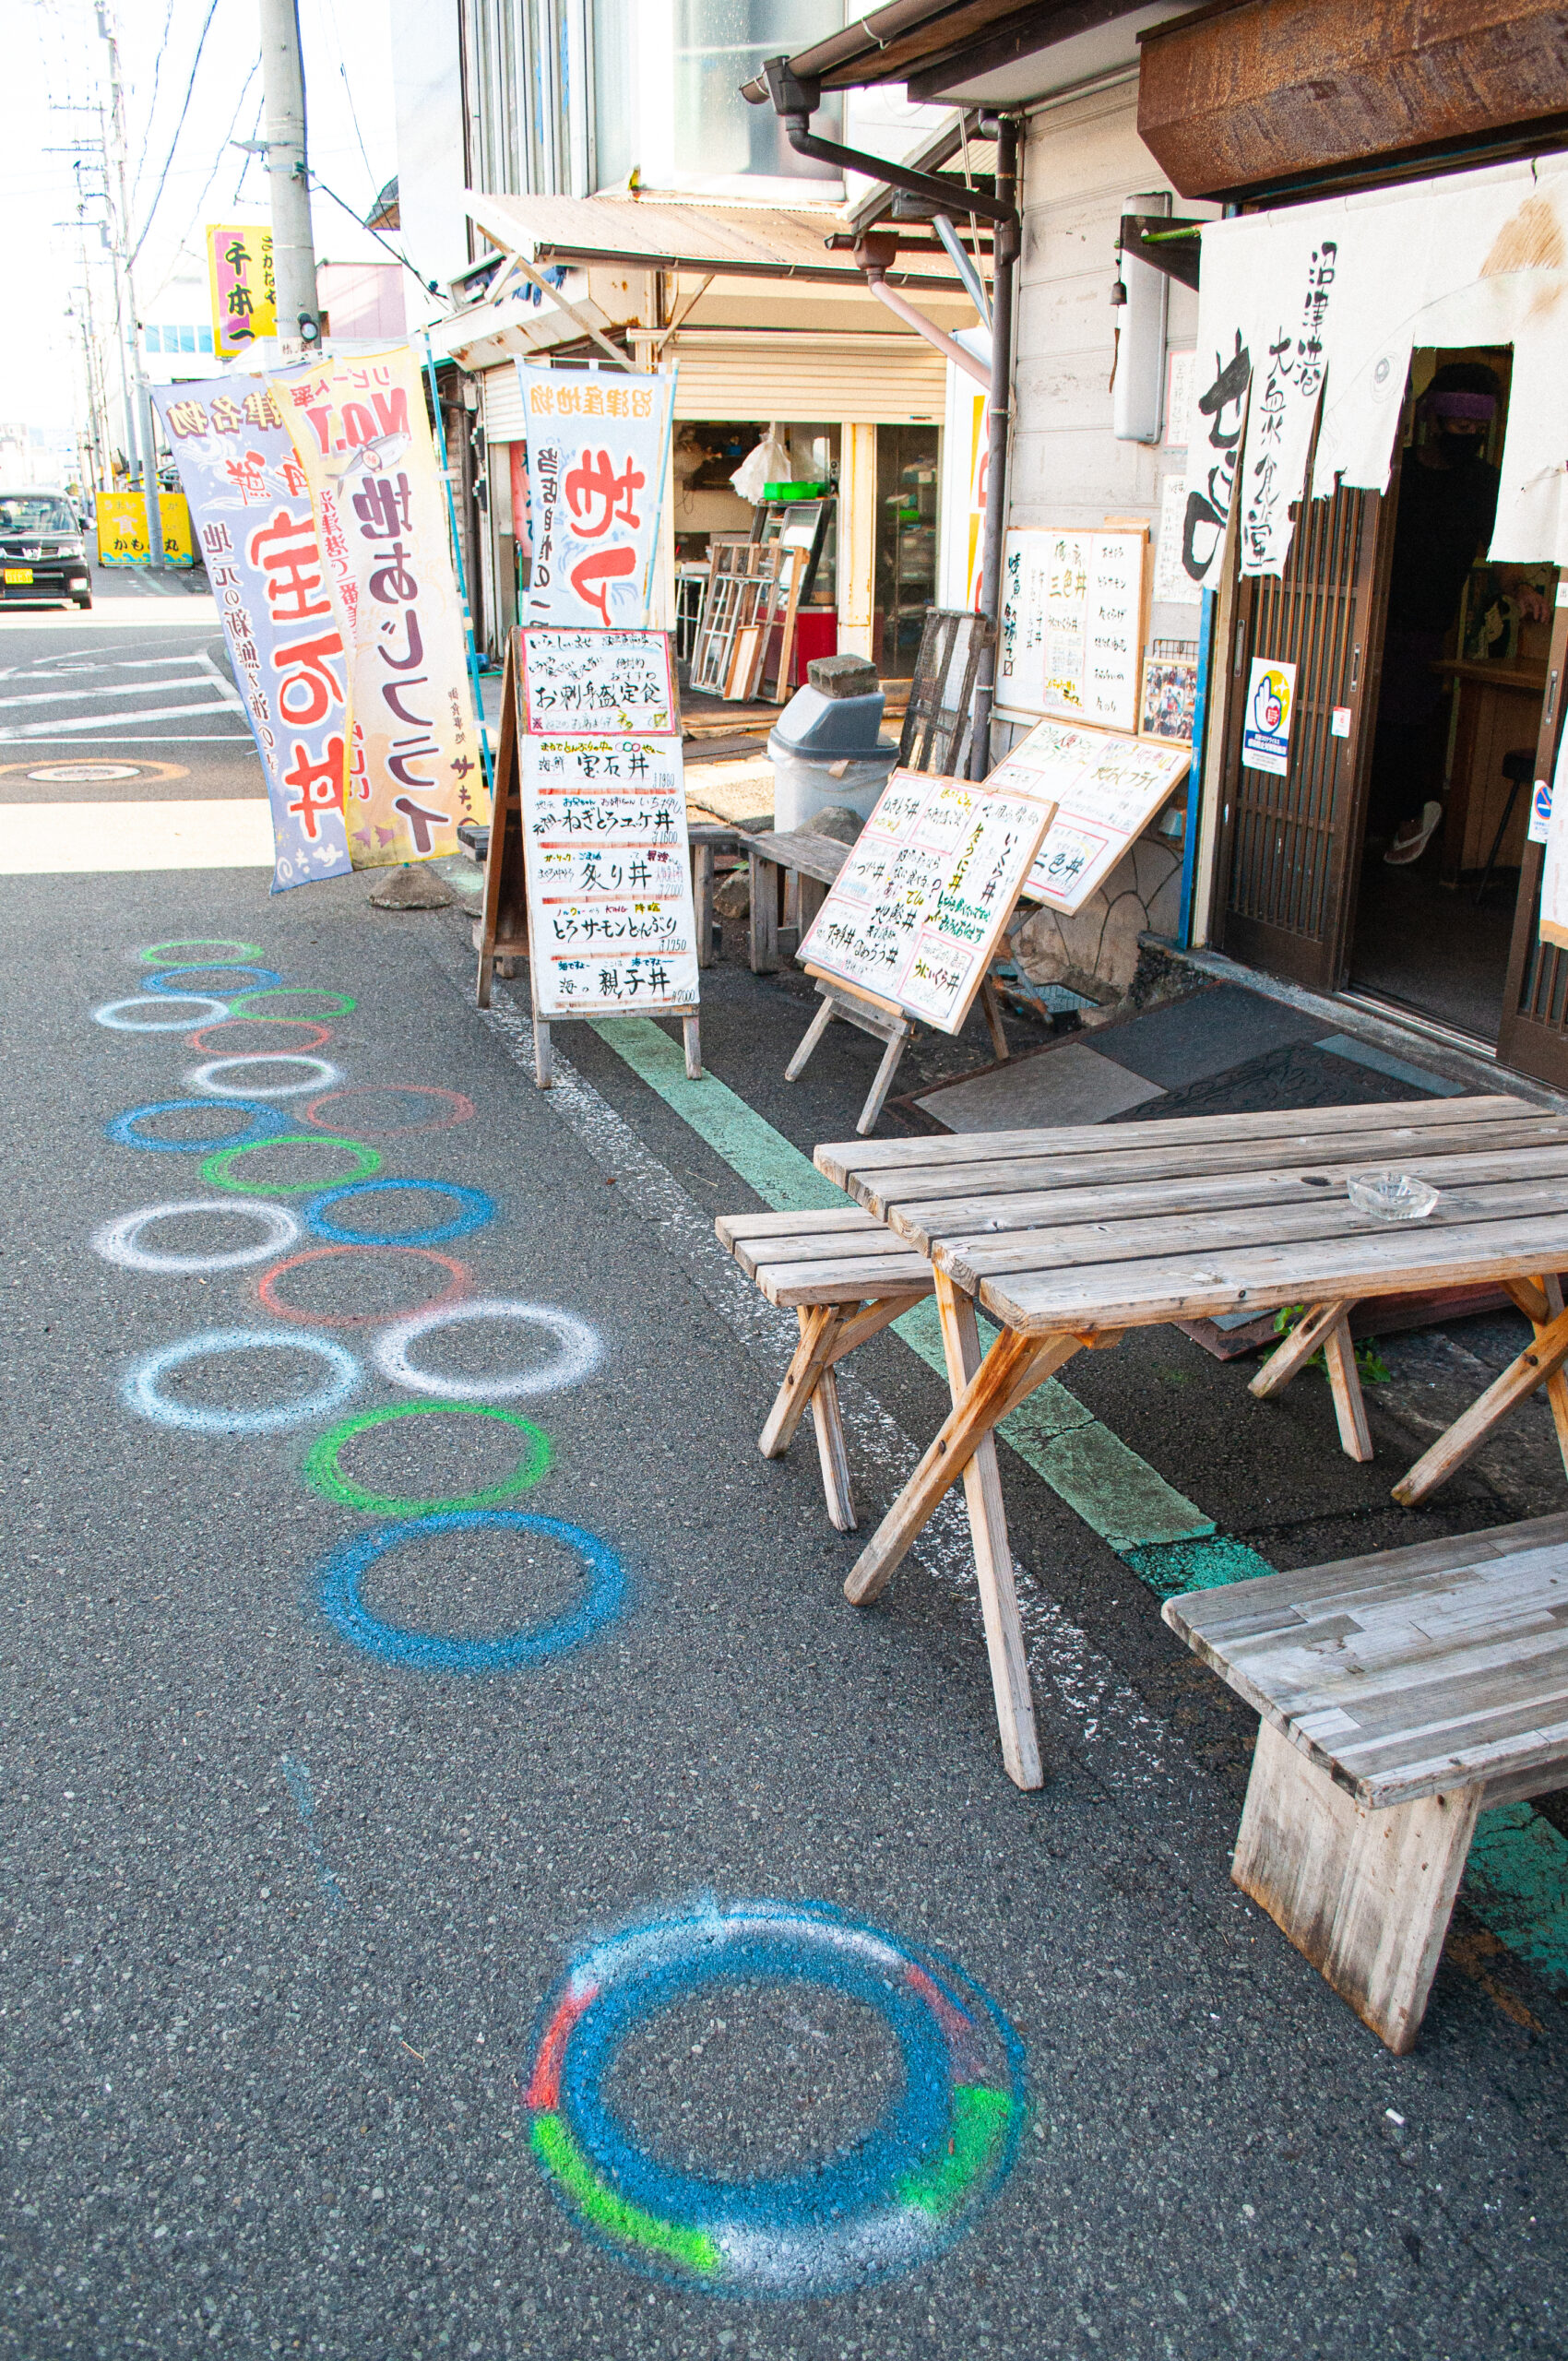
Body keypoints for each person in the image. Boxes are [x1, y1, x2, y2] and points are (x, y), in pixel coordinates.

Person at [1368, 361, 1548, 866]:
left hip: (1428, 625)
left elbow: (1501, 556)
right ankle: (1378, 823)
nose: (1468, 436)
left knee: (1406, 725)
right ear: (1433, 419)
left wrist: (1522, 590)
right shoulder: (1394, 471)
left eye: (1477, 428)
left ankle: (1406, 817)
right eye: (1459, 425)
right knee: (1366, 724)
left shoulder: (1482, 482)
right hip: (1371, 617)